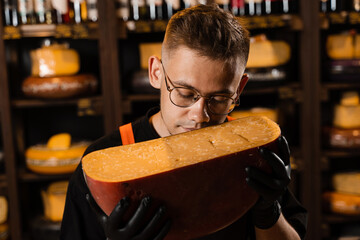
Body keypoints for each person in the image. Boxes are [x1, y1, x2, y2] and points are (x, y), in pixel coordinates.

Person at [60, 3, 307, 240]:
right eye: (185, 93)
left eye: (219, 99)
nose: (199, 115)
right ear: (156, 73)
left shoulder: (252, 153)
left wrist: (268, 211)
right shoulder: (103, 164)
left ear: (239, 89)